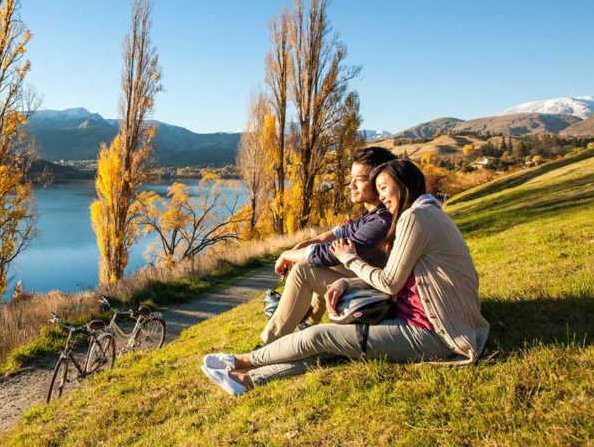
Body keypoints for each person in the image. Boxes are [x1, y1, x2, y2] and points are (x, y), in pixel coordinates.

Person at [202, 159, 489, 396]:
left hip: (434, 334)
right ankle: (247, 380)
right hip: (438, 324)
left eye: (385, 188)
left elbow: (389, 283)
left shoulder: (415, 218)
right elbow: (396, 277)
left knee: (319, 335)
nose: (383, 198)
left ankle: (243, 361)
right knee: (335, 348)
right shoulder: (431, 214)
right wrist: (344, 282)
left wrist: (348, 259)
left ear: (403, 186)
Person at [261, 146, 397, 344]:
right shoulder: (372, 216)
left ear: (379, 181)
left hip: (377, 297)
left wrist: (287, 254)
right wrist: (304, 244)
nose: (351, 185)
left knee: (304, 270)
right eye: (351, 178)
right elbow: (335, 234)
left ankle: (269, 344)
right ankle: (307, 323)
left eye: (359, 179)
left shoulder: (381, 222)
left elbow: (326, 254)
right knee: (317, 261)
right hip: (369, 284)